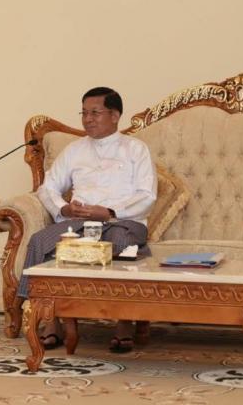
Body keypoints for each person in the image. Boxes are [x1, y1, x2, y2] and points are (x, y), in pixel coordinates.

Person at [16, 87, 156, 353]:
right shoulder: (74, 150)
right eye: (84, 113)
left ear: (115, 115)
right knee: (41, 241)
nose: (88, 119)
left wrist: (110, 212)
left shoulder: (136, 149)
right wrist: (65, 209)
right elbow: (48, 188)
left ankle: (124, 322)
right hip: (79, 222)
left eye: (95, 113)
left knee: (120, 242)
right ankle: (51, 319)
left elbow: (147, 195)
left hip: (122, 221)